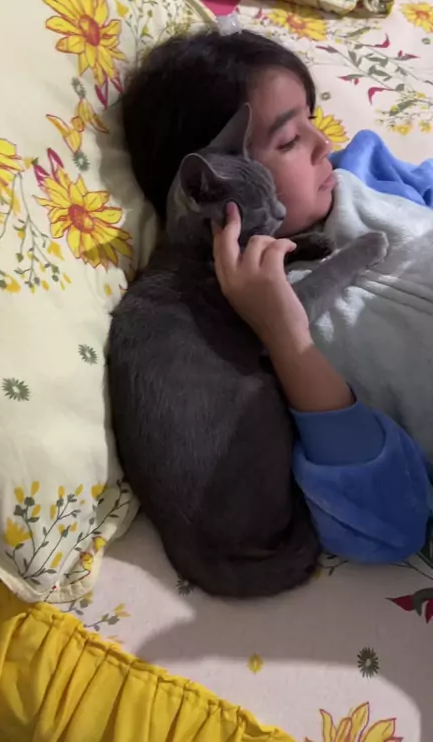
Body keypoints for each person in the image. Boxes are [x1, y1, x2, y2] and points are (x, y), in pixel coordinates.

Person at [121, 28, 431, 564]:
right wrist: (287, 339)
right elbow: (389, 525)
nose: (323, 143)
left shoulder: (358, 171)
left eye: (312, 117)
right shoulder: (258, 338)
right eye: (289, 140)